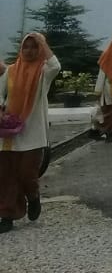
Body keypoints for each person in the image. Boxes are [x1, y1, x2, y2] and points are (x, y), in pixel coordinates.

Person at [0, 33, 60, 235]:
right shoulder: (11, 71)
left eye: (34, 47)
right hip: (9, 133)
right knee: (6, 175)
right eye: (26, 47)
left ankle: (33, 196)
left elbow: (56, 66)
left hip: (33, 132)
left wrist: (43, 42)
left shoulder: (43, 72)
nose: (29, 51)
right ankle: (7, 215)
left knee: (27, 174)